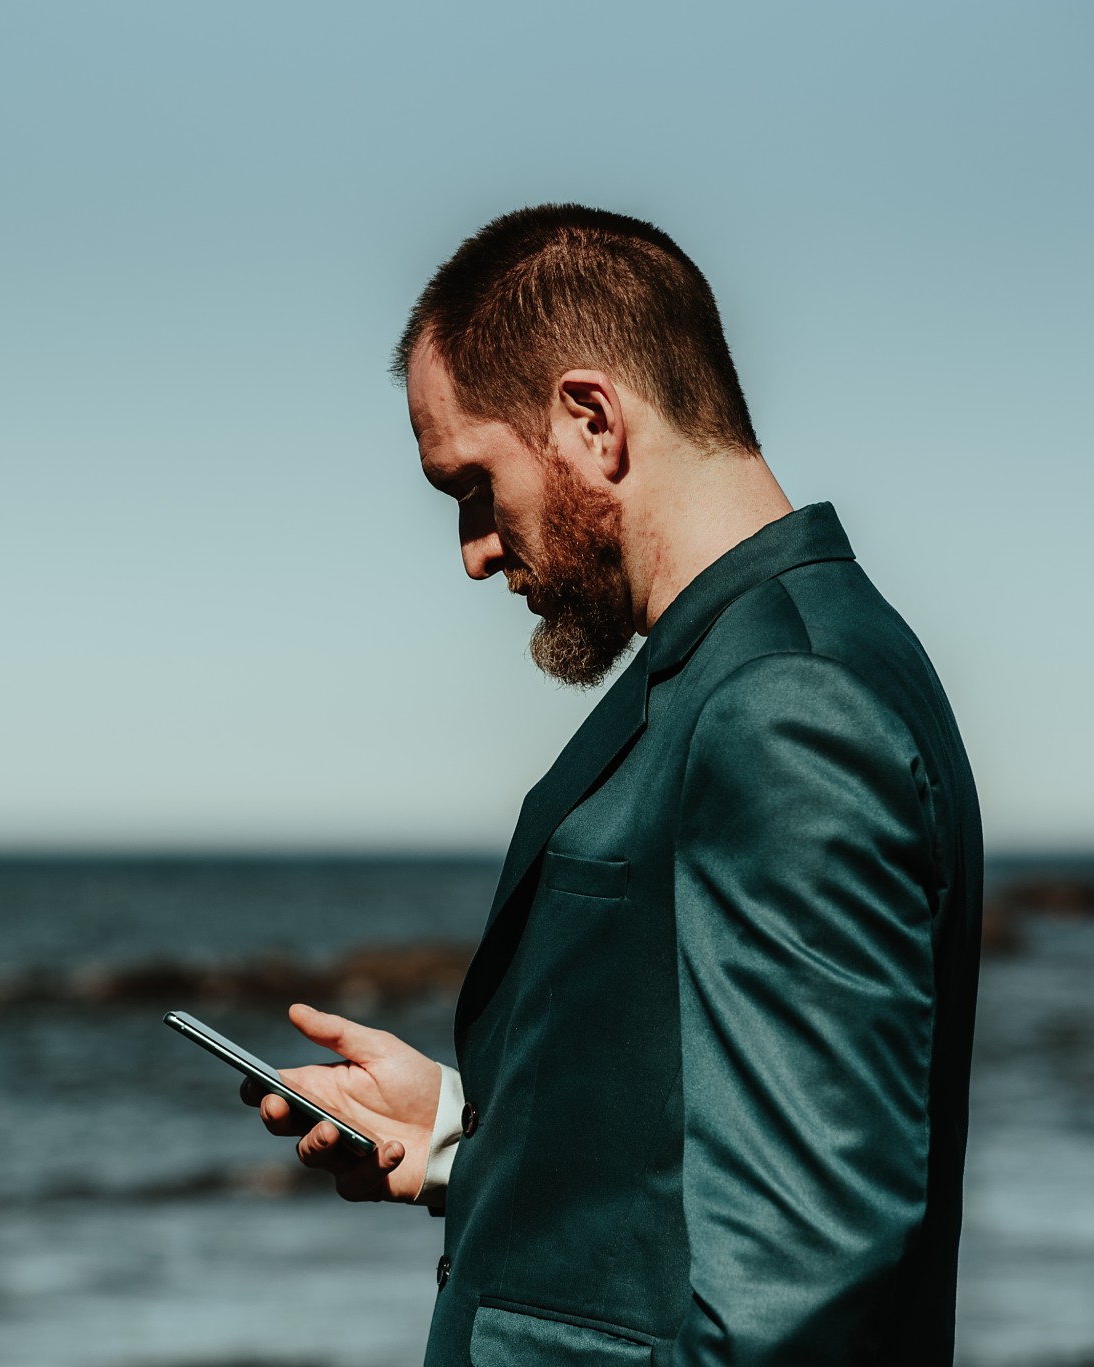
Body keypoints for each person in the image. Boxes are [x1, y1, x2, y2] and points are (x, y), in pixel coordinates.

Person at [244, 205, 983, 1365]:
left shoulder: (783, 704)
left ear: (589, 419)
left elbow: (798, 1289)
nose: (475, 550)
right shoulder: (771, 664)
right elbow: (693, 1148)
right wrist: (460, 1138)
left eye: (472, 486)